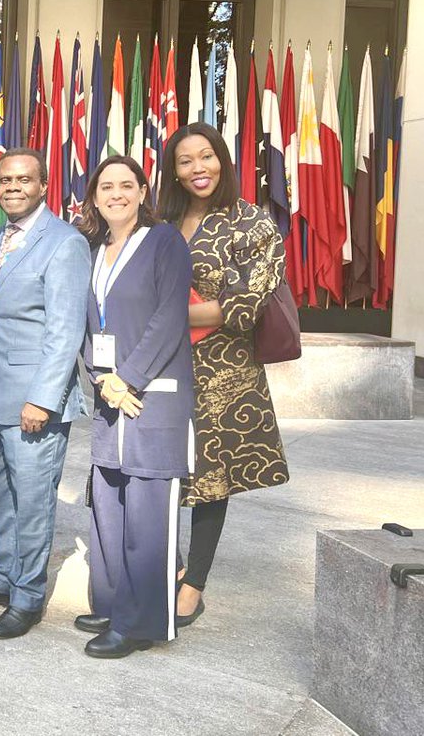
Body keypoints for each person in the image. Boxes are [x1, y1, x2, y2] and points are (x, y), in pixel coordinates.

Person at [0, 148, 91, 638]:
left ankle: (28, 595)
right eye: (4, 179)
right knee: (0, 498)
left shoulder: (65, 243)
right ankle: (1, 577)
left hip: (33, 401)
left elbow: (65, 330)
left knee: (32, 501)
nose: (12, 187)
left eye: (23, 180)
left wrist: (44, 399)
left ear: (43, 186)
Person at [158, 123, 290, 627]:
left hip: (223, 369)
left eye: (206, 157)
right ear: (173, 170)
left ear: (223, 161)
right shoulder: (162, 221)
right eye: (186, 160)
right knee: (163, 467)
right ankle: (164, 568)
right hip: (163, 363)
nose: (198, 169)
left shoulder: (251, 223)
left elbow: (243, 304)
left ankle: (194, 585)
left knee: (212, 476)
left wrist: (163, 310)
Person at [75, 155, 194, 659]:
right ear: (95, 195)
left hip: (152, 401)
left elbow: (170, 318)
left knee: (147, 510)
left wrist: (129, 378)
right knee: (108, 500)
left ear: (144, 191)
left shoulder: (164, 241)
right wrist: (103, 380)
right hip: (110, 398)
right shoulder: (92, 249)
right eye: (107, 186)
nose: (116, 194)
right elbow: (86, 326)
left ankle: (143, 622)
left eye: (127, 185)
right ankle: (113, 603)